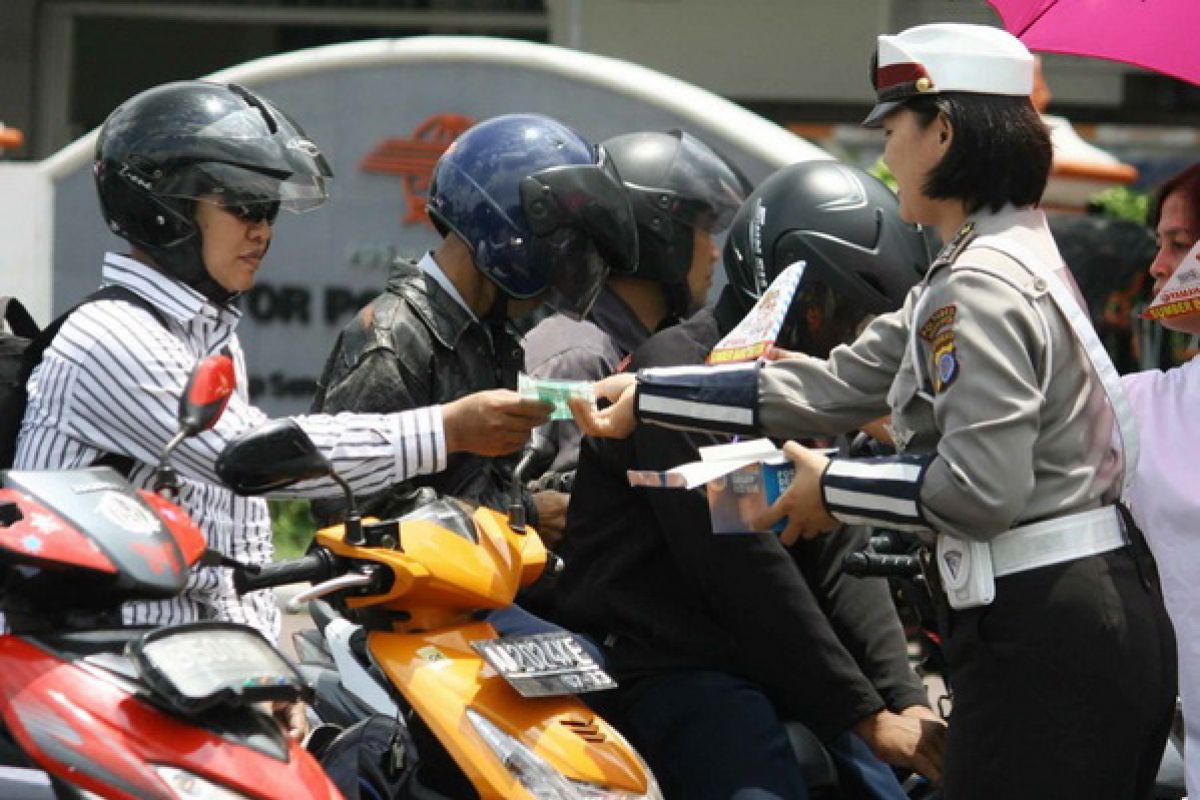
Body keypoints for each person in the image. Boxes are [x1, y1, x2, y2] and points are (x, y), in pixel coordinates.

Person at [571, 23, 1176, 799]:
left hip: (1044, 629)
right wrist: (652, 395)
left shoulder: (976, 286)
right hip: (1072, 613)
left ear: (945, 133)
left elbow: (978, 491)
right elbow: (831, 384)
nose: (886, 157)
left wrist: (831, 487)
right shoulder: (996, 258)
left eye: (894, 131)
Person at [12, 81, 555, 737]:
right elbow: (254, 462)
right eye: (244, 204)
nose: (263, 228)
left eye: (269, 206)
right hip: (90, 682)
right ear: (166, 208)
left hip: (187, 681)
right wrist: (447, 429)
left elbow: (236, 543)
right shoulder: (116, 338)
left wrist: (268, 674)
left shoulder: (205, 335)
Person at [548, 159, 941, 799]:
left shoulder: (805, 385)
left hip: (775, 662)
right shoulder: (677, 378)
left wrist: (905, 701)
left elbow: (841, 550)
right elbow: (741, 566)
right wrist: (867, 717)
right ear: (784, 284)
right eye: (838, 311)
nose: (848, 339)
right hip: (668, 664)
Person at [310, 113, 637, 546]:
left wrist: (589, 405)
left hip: (469, 594)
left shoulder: (486, 332)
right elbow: (356, 515)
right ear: (509, 230)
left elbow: (484, 454)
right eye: (563, 242)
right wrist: (529, 515)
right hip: (404, 610)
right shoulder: (394, 340)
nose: (566, 262)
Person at [523, 129, 746, 502]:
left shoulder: (647, 349)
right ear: (660, 233)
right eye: (704, 230)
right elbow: (566, 513)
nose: (714, 253)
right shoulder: (577, 356)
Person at [1122, 162, 1200, 796]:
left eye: (1179, 244)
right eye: (1160, 244)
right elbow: (986, 438)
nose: (1158, 267)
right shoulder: (1142, 407)